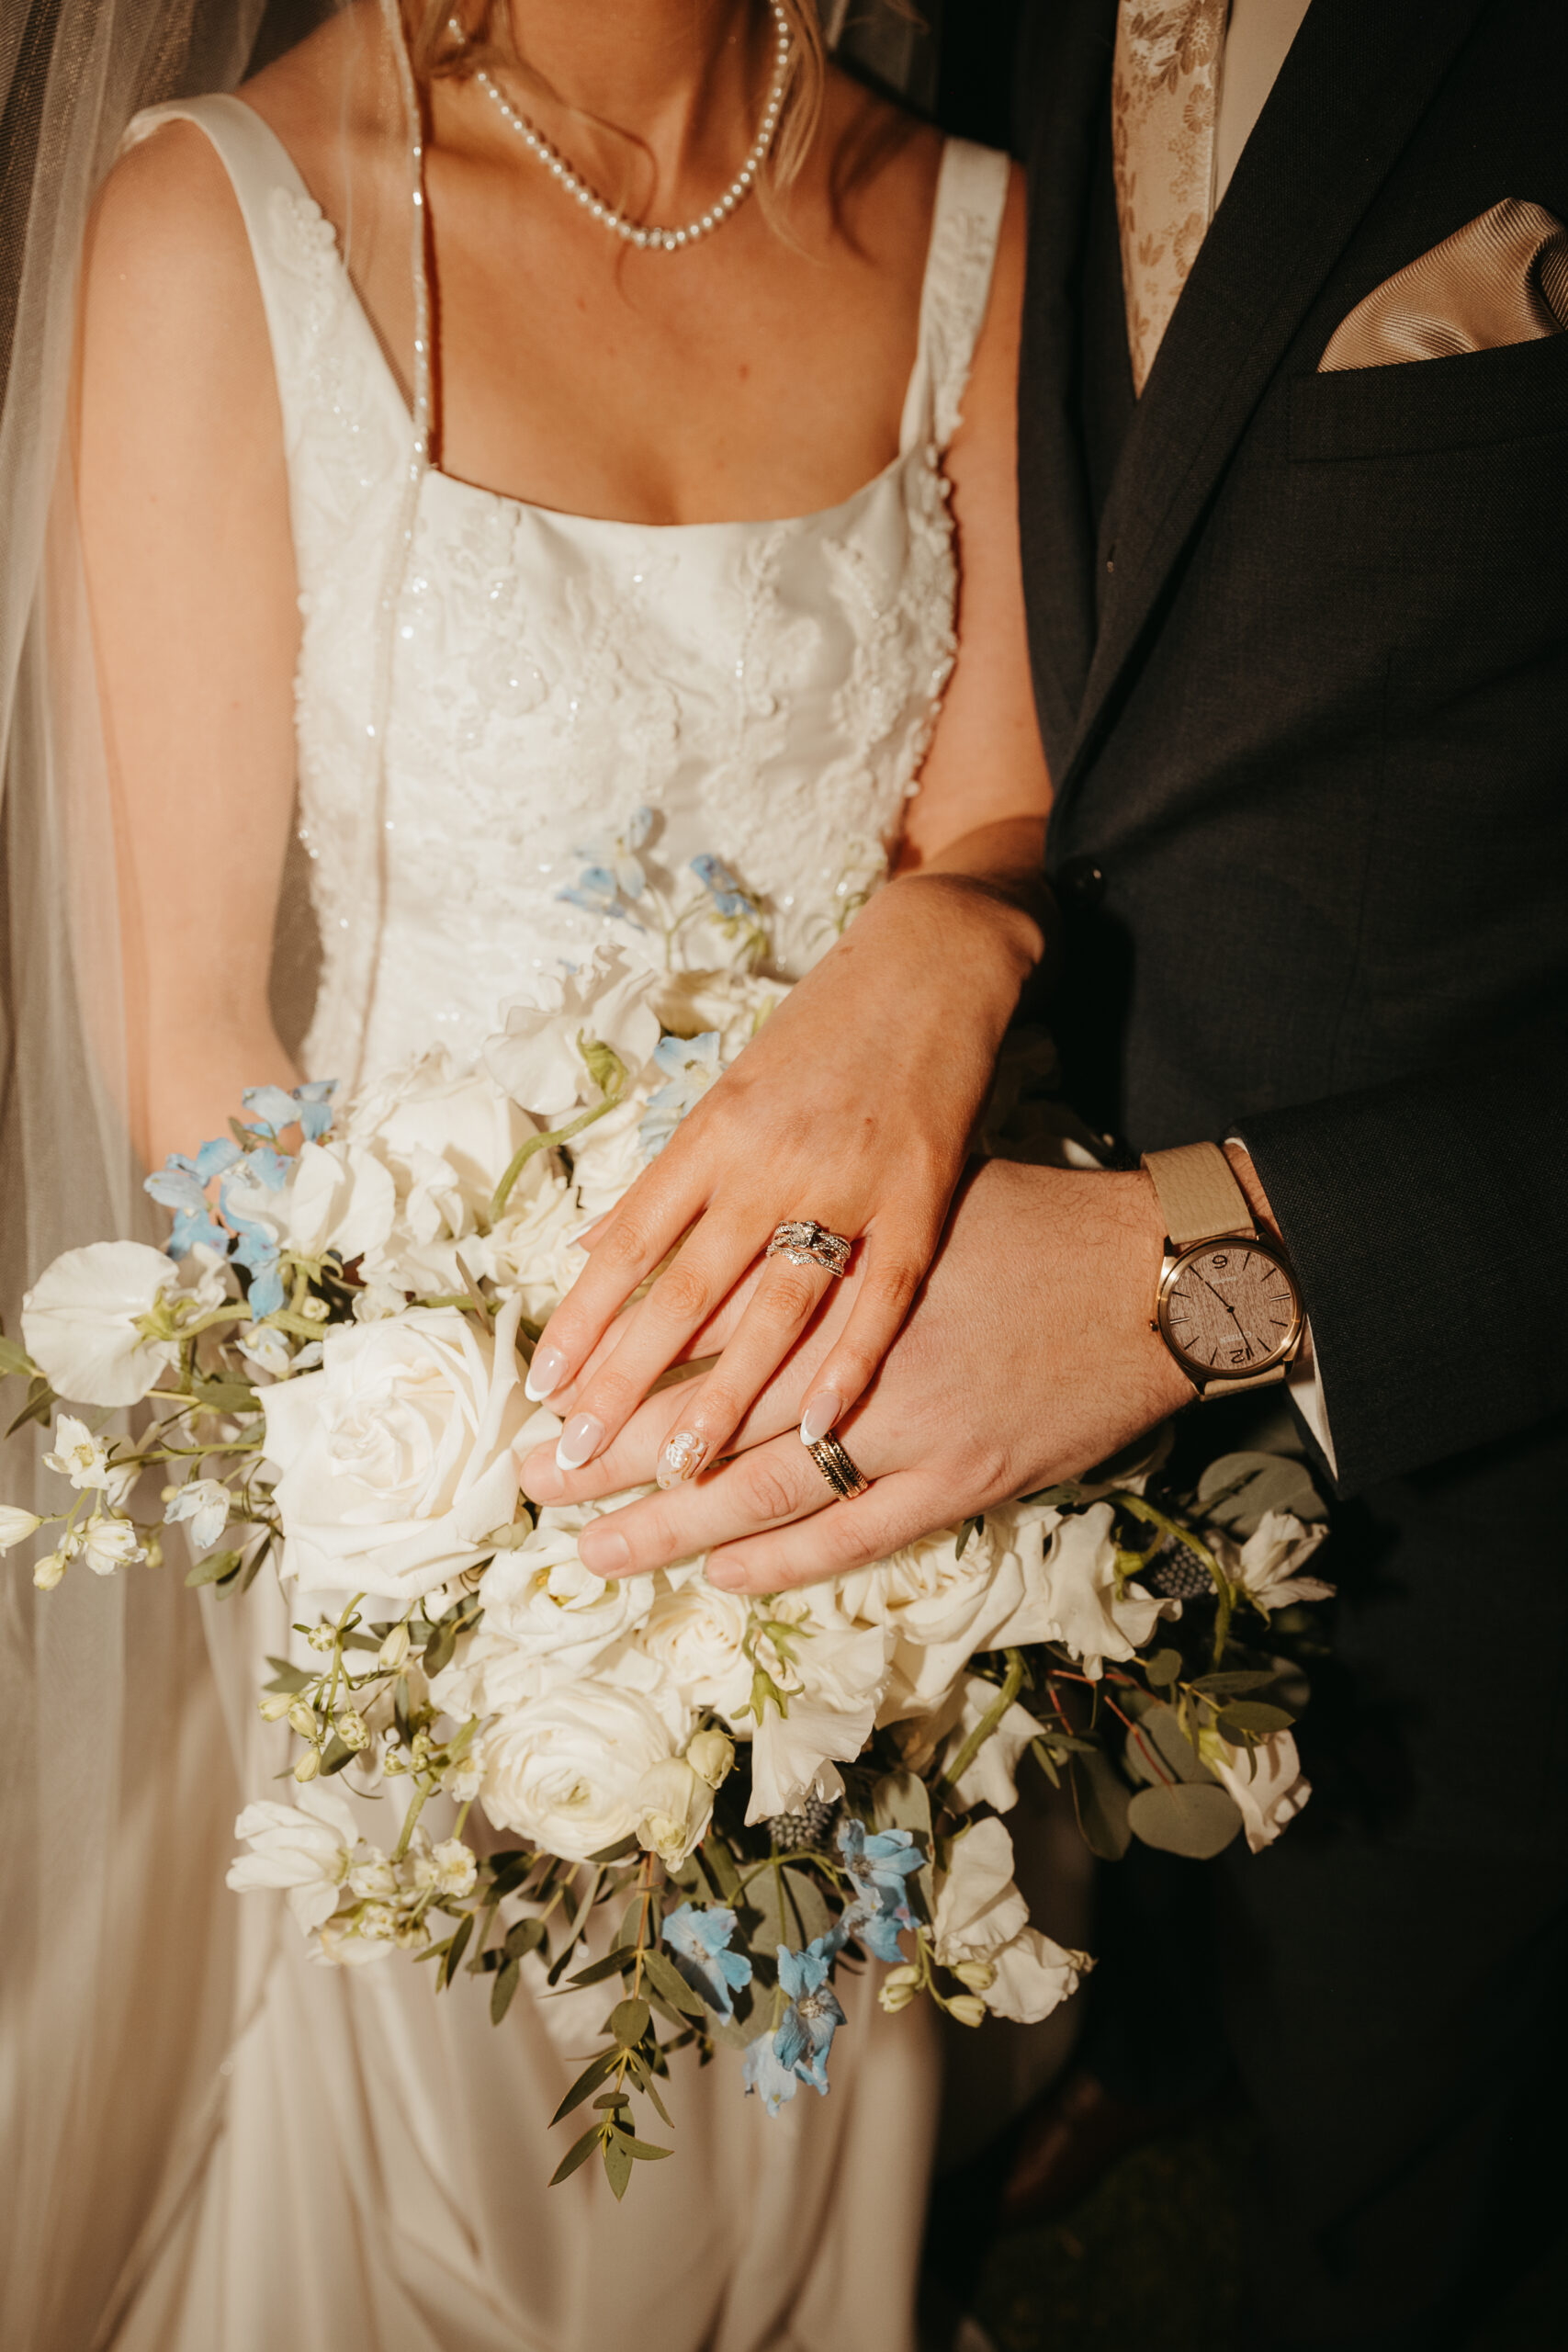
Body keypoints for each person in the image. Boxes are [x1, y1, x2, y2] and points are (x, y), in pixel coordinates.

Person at [522, 1, 1568, 2344]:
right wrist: (944, 921)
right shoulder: (908, 48)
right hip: (967, 1414)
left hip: (1474, 1456)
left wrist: (1193, 1269)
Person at [55, 1, 1057, 2345]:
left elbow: (990, 817)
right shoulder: (227, 223)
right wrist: (474, 1558)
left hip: (860, 1418)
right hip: (434, 1491)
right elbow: (194, 1031)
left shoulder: (976, 238)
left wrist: (952, 926)